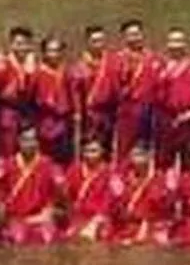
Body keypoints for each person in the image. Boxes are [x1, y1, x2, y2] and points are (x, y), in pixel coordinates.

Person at [0, 127, 65, 245]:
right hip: (15, 218)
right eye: (25, 140)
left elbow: (59, 196)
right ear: (19, 141)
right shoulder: (6, 164)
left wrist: (50, 210)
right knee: (18, 239)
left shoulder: (49, 165)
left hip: (41, 217)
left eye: (32, 140)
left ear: (38, 143)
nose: (29, 144)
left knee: (49, 238)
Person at [154, 27, 190, 170]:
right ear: (168, 44)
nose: (176, 45)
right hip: (165, 119)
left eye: (180, 41)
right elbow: (154, 96)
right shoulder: (160, 66)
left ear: (185, 44)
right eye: (173, 41)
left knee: (189, 162)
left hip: (188, 120)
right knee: (163, 162)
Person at [110, 143, 177, 246]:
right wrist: (117, 195)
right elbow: (118, 209)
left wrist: (171, 191)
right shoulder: (124, 179)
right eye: (135, 155)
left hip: (153, 226)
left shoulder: (160, 178)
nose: (138, 159)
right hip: (130, 226)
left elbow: (166, 207)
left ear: (149, 157)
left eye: (141, 154)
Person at [114, 20, 162, 163]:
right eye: (131, 35)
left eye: (137, 34)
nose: (135, 38)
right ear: (124, 38)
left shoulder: (154, 57)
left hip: (151, 110)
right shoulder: (119, 59)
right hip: (129, 110)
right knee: (125, 149)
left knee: (148, 148)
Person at [69, 25, 121, 154]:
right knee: (89, 149)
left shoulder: (113, 62)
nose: (99, 45)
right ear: (87, 43)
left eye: (101, 41)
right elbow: (75, 93)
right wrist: (78, 113)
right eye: (95, 41)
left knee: (107, 150)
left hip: (108, 114)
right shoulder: (79, 66)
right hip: (89, 116)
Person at [0, 26, 37, 160]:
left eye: (25, 44)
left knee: (27, 149)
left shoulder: (32, 64)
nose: (22, 48)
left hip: (27, 113)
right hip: (7, 112)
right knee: (7, 150)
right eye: (18, 44)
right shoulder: (3, 64)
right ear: (11, 45)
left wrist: (29, 74)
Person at [63, 138, 121, 242]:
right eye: (87, 151)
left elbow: (114, 200)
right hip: (78, 218)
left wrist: (98, 219)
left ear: (102, 152)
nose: (90, 155)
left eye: (94, 151)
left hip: (100, 220)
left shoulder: (111, 174)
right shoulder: (74, 170)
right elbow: (67, 195)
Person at [34, 36, 76, 165]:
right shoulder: (38, 72)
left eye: (57, 51)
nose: (54, 54)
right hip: (46, 122)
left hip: (64, 123)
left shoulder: (67, 71)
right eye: (50, 51)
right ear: (44, 53)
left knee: (64, 159)